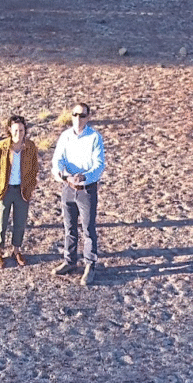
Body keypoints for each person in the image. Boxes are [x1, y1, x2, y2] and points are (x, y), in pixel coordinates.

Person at [52, 102, 105, 286]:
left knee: (88, 229)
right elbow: (57, 160)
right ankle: (70, 261)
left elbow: (99, 165)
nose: (78, 118)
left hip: (86, 189)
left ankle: (90, 265)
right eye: (75, 114)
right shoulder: (65, 136)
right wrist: (63, 175)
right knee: (69, 227)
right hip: (68, 187)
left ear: (88, 117)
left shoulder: (95, 137)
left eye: (82, 115)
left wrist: (84, 177)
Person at [0, 114, 40, 268]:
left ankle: (16, 250)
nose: (19, 133)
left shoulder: (30, 147)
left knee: (20, 222)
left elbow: (34, 169)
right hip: (5, 190)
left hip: (22, 191)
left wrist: (30, 188)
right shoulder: (1, 146)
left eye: (21, 130)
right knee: (0, 222)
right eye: (15, 130)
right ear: (10, 130)